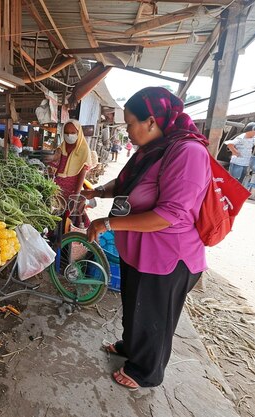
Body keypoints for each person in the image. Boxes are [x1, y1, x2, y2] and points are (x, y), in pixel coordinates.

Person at [83, 87, 211, 390]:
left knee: (154, 318)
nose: (127, 131)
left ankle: (146, 371)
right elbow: (132, 183)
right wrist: (99, 192)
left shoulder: (187, 152)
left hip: (168, 256)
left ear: (151, 120)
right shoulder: (153, 149)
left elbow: (170, 215)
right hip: (139, 250)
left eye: (130, 124)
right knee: (135, 306)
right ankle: (131, 346)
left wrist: (108, 222)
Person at [50, 120, 91, 223]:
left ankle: (68, 236)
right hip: (57, 188)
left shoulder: (84, 150)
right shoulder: (62, 146)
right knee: (54, 214)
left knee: (71, 216)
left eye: (73, 133)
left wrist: (76, 196)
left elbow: (82, 173)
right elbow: (54, 164)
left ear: (79, 133)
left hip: (72, 188)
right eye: (66, 133)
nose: (69, 135)